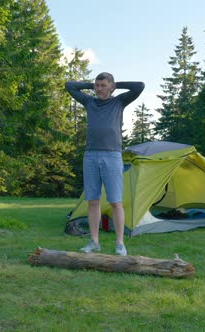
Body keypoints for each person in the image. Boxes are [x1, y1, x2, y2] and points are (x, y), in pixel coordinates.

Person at [65, 72, 144, 256]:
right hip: (91, 156)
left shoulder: (119, 102)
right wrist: (90, 85)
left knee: (116, 202)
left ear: (111, 87)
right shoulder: (89, 102)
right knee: (93, 201)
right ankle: (94, 242)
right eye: (97, 85)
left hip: (112, 156)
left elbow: (139, 85)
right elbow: (69, 85)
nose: (99, 89)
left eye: (103, 85)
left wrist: (116, 84)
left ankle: (119, 244)